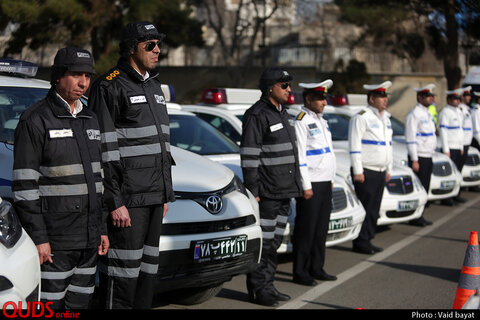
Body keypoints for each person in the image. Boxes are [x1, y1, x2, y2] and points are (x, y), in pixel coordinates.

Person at [12, 47, 109, 309]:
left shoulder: (91, 119)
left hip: (88, 241)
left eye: (88, 76)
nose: (83, 83)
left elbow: (98, 183)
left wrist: (101, 229)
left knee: (79, 304)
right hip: (55, 242)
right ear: (58, 76)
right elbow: (24, 187)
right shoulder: (36, 119)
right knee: (49, 308)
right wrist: (39, 238)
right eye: (76, 74)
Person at [88, 21, 175, 309]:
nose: (157, 50)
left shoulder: (154, 84)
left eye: (158, 44)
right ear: (131, 48)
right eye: (150, 45)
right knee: (122, 276)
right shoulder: (109, 85)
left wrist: (165, 193)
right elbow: (104, 150)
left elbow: (161, 147)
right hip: (128, 201)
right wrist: (114, 201)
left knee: (147, 275)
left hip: (154, 197)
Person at [240, 67, 302, 306]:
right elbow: (249, 156)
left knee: (275, 243)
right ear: (270, 88)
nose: (289, 89)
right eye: (284, 85)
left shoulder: (283, 113)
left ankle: (269, 284)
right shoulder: (256, 114)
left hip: (285, 190)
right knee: (265, 243)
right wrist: (253, 191)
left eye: (289, 85)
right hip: (267, 192)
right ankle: (258, 289)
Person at [292, 80, 337, 286]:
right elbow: (300, 155)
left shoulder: (322, 120)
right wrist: (306, 184)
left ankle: (316, 267)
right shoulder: (301, 120)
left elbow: (328, 153)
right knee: (306, 229)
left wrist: (332, 179)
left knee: (320, 229)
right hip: (311, 183)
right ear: (308, 99)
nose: (324, 102)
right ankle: (300, 271)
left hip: (325, 181)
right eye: (320, 98)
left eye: (324, 98)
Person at [348, 81, 393, 254]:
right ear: (372, 98)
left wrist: (388, 169)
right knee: (366, 207)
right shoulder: (361, 116)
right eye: (381, 96)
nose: (385, 100)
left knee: (374, 208)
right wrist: (358, 170)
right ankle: (360, 241)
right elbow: (354, 144)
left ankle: (368, 238)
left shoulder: (385, 118)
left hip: (380, 171)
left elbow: (388, 145)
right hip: (366, 171)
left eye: (385, 96)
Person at [405, 84, 436, 226]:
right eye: (428, 96)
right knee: (420, 187)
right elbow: (411, 138)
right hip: (419, 156)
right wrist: (414, 159)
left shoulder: (427, 113)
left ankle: (420, 214)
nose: (431, 98)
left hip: (428, 155)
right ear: (420, 97)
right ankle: (415, 217)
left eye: (431, 96)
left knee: (426, 187)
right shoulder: (414, 114)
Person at [438, 88, 466, 204]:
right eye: (454, 98)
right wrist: (446, 149)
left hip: (457, 147)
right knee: (449, 175)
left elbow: (460, 131)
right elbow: (443, 132)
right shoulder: (445, 112)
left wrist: (461, 147)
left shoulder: (458, 112)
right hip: (450, 148)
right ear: (449, 100)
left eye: (458, 98)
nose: (457, 100)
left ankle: (455, 194)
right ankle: (446, 197)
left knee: (457, 173)